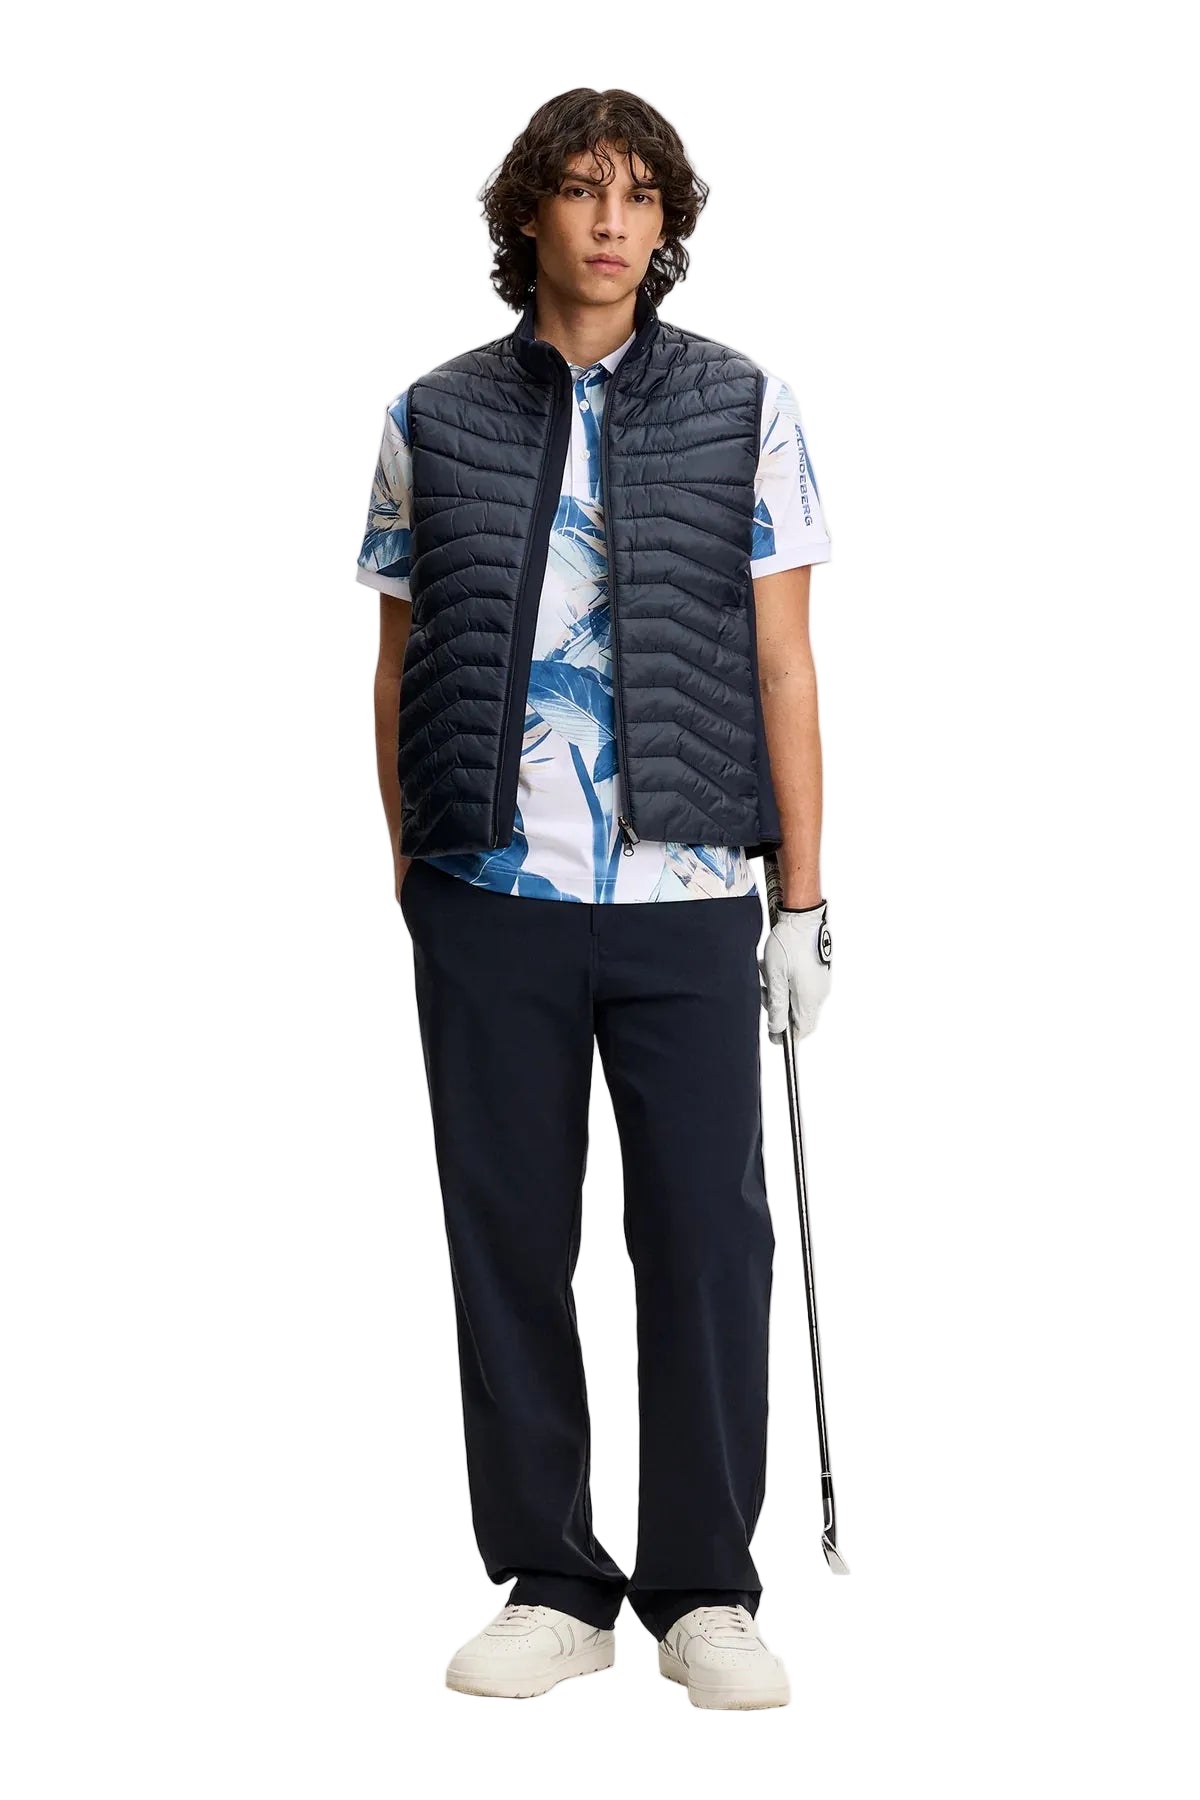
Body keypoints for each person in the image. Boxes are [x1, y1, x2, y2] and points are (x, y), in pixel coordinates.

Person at [355, 87, 832, 1711]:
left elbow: (784, 660)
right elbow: (398, 664)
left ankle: (705, 1590)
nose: (612, 220)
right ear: (531, 216)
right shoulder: (431, 415)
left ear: (668, 220)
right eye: (579, 190)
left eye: (639, 194)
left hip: (688, 890)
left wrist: (803, 903)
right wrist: (417, 868)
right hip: (489, 892)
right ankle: (554, 1581)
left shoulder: (744, 405)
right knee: (507, 1236)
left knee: (707, 1239)